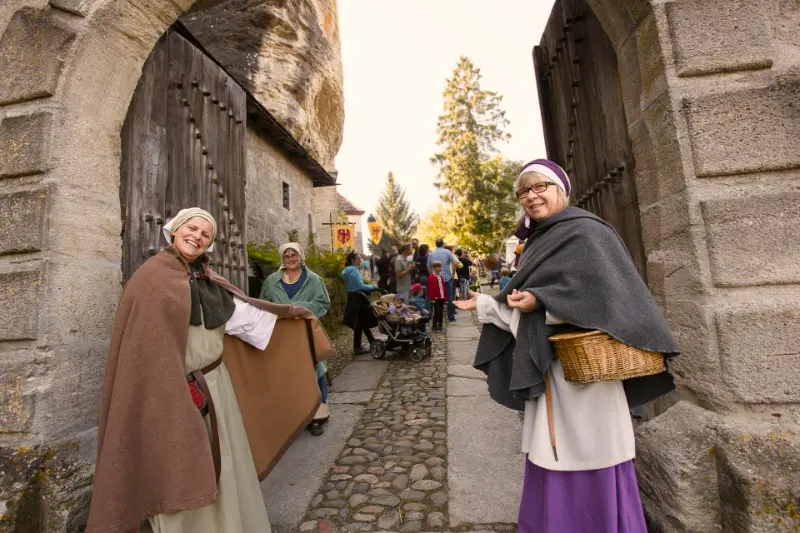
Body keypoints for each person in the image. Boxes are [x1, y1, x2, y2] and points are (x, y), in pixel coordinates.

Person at [455, 159, 679, 533]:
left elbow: (606, 300)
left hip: (590, 376)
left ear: (561, 189)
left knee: (592, 451)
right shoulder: (539, 239)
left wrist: (541, 302)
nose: (531, 195)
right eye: (524, 191)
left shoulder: (588, 233)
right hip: (554, 372)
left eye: (539, 186)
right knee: (552, 452)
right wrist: (486, 304)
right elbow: (525, 301)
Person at [86, 208, 316, 533]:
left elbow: (243, 318)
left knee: (225, 467)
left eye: (205, 234)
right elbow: (144, 352)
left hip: (216, 387)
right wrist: (176, 387)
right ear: (175, 229)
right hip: (171, 392)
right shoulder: (151, 278)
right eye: (192, 228)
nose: (197, 236)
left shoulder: (207, 279)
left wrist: (291, 315)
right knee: (180, 467)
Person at [260, 242, 331, 436]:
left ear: (300, 257)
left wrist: (295, 307)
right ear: (282, 259)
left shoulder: (313, 280)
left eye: (294, 255)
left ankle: (317, 416)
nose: (290, 259)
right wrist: (280, 313)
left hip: (306, 330)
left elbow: (323, 302)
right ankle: (294, 417)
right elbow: (264, 303)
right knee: (287, 373)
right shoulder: (272, 280)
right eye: (286, 256)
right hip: (281, 333)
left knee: (312, 369)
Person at [343, 251, 378, 355]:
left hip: (352, 297)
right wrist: (373, 286)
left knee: (362, 320)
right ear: (352, 260)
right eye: (358, 259)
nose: (360, 260)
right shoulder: (353, 271)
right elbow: (361, 286)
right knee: (359, 323)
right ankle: (357, 348)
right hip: (358, 297)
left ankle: (371, 340)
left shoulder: (346, 271)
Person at [427, 238, 459, 322]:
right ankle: (451, 316)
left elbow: (428, 266)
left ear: (436, 244)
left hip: (436, 278)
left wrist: (431, 275)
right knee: (449, 297)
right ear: (442, 244)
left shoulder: (431, 254)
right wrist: (452, 275)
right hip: (447, 278)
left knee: (437, 297)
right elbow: (454, 263)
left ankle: (437, 317)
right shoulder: (448, 252)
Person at [427, 260, 448, 332]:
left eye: (440, 267)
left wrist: (445, 298)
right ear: (434, 268)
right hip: (436, 298)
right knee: (437, 312)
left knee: (441, 312)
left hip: (441, 297)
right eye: (438, 267)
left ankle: (440, 324)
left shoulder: (440, 277)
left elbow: (443, 287)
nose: (440, 268)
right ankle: (434, 325)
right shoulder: (431, 277)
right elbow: (430, 288)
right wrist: (432, 298)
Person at [414, 244, 431, 310]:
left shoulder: (418, 258)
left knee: (421, 295)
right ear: (426, 250)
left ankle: (421, 309)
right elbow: (429, 268)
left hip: (421, 278)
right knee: (428, 295)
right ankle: (428, 310)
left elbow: (417, 268)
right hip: (427, 277)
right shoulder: (427, 258)